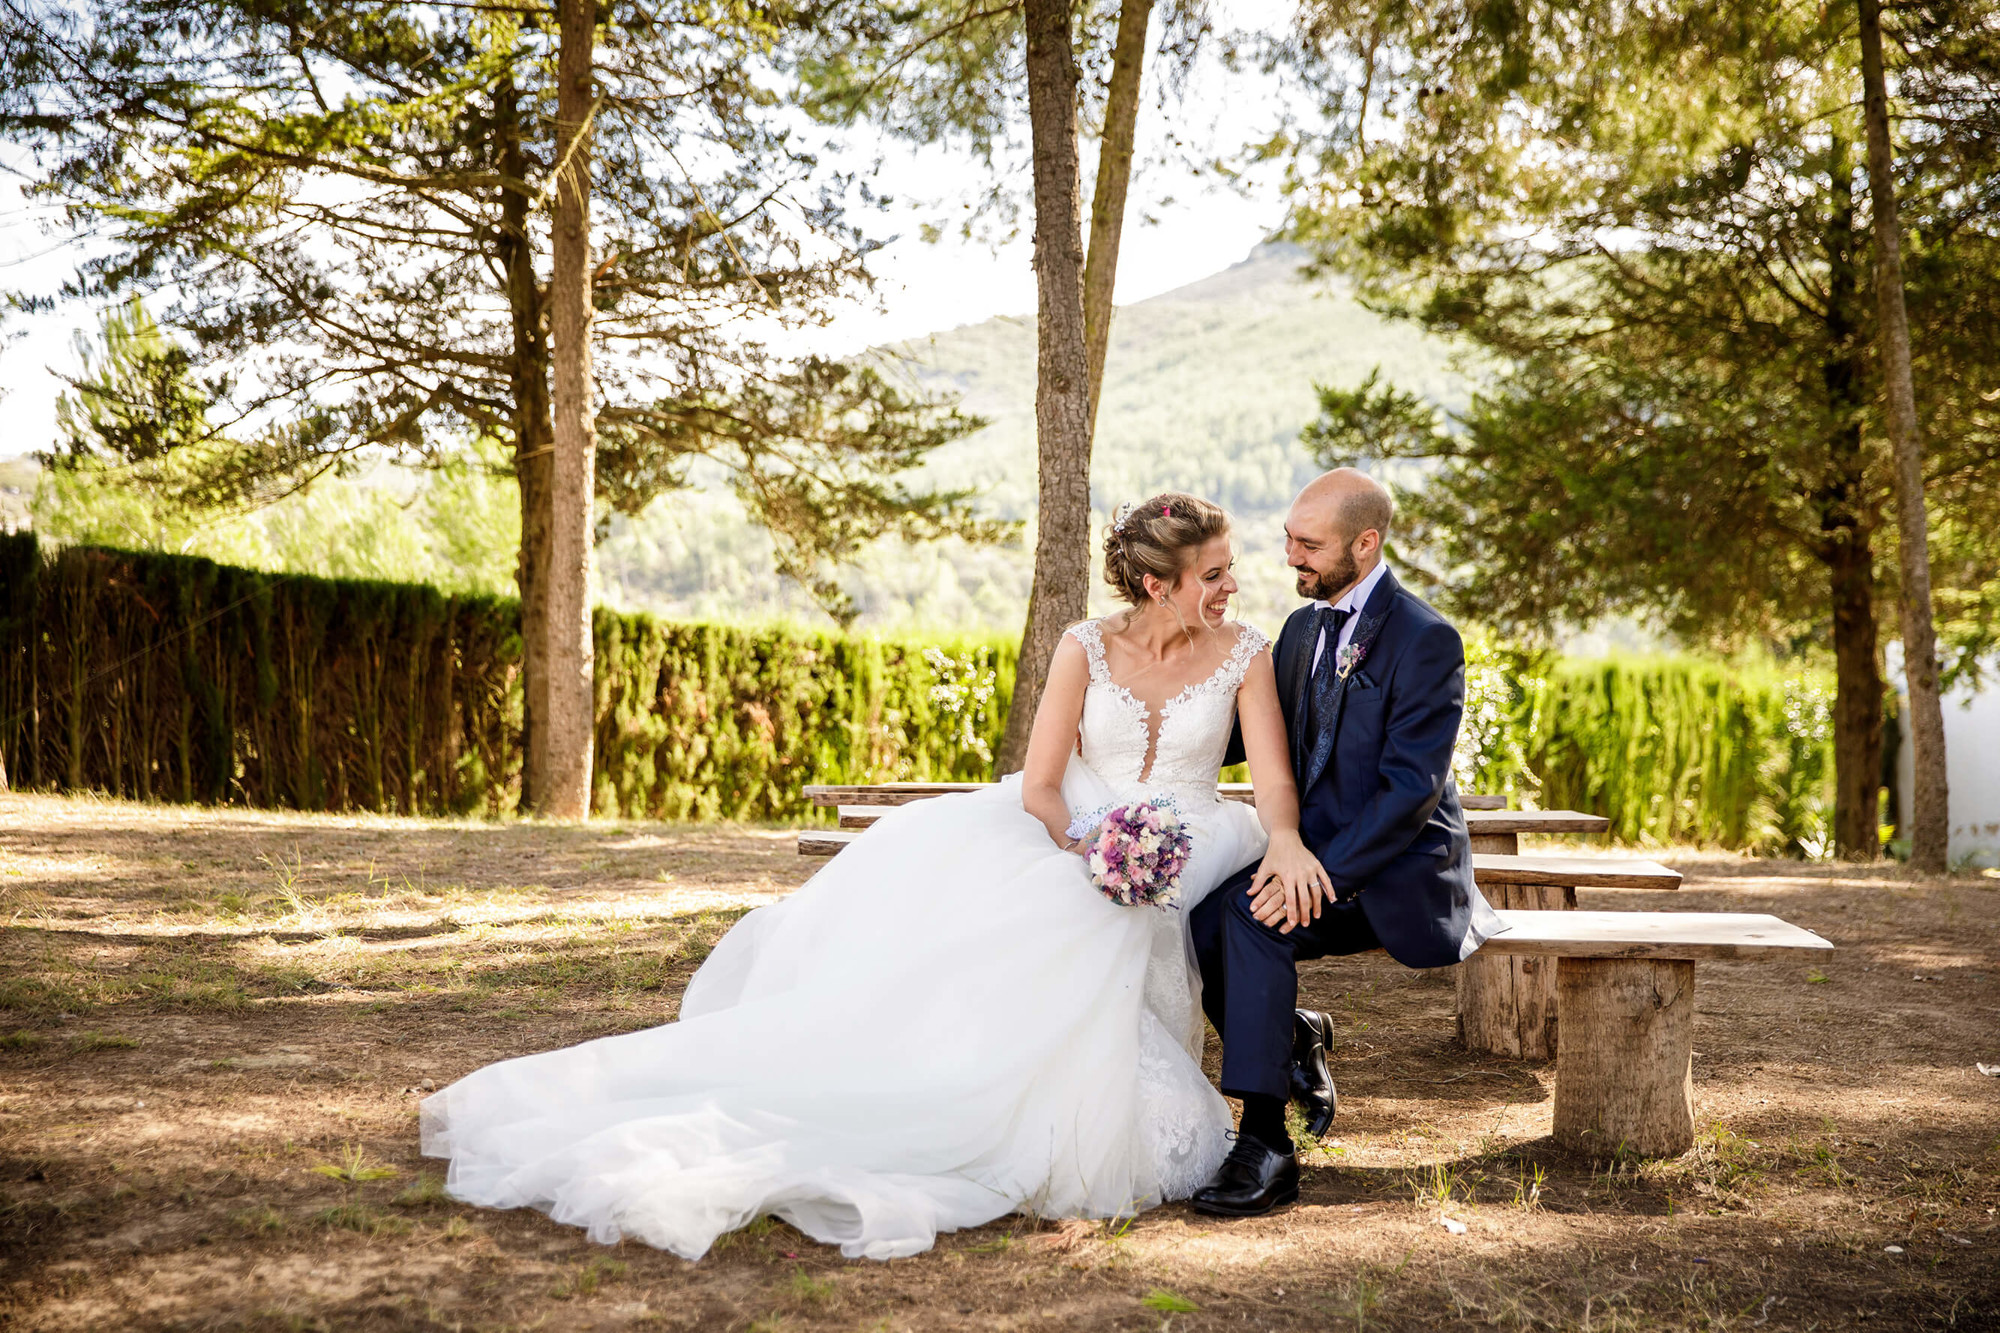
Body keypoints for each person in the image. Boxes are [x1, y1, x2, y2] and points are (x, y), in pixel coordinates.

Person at [420, 492, 1331, 1260]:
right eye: (1213, 572)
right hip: (1080, 821)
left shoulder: (1245, 649)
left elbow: (1274, 781)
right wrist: (1092, 843)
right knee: (1034, 908)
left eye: (1228, 569)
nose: (1231, 585)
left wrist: (1283, 839)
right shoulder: (1084, 646)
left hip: (1196, 824)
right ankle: (941, 1077)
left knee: (1130, 906)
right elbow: (1045, 785)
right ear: (1155, 583)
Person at [1187, 468, 1503, 1218]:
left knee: (1250, 917)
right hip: (1313, 861)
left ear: (1366, 542)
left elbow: (1408, 795)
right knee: (1200, 921)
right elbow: (1249, 738)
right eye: (1288, 539)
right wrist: (1164, 689)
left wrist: (1312, 872)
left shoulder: (1427, 640)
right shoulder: (1299, 631)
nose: (1290, 556)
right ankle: (1295, 1037)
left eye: (1308, 544)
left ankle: (1266, 1143)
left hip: (1394, 875)